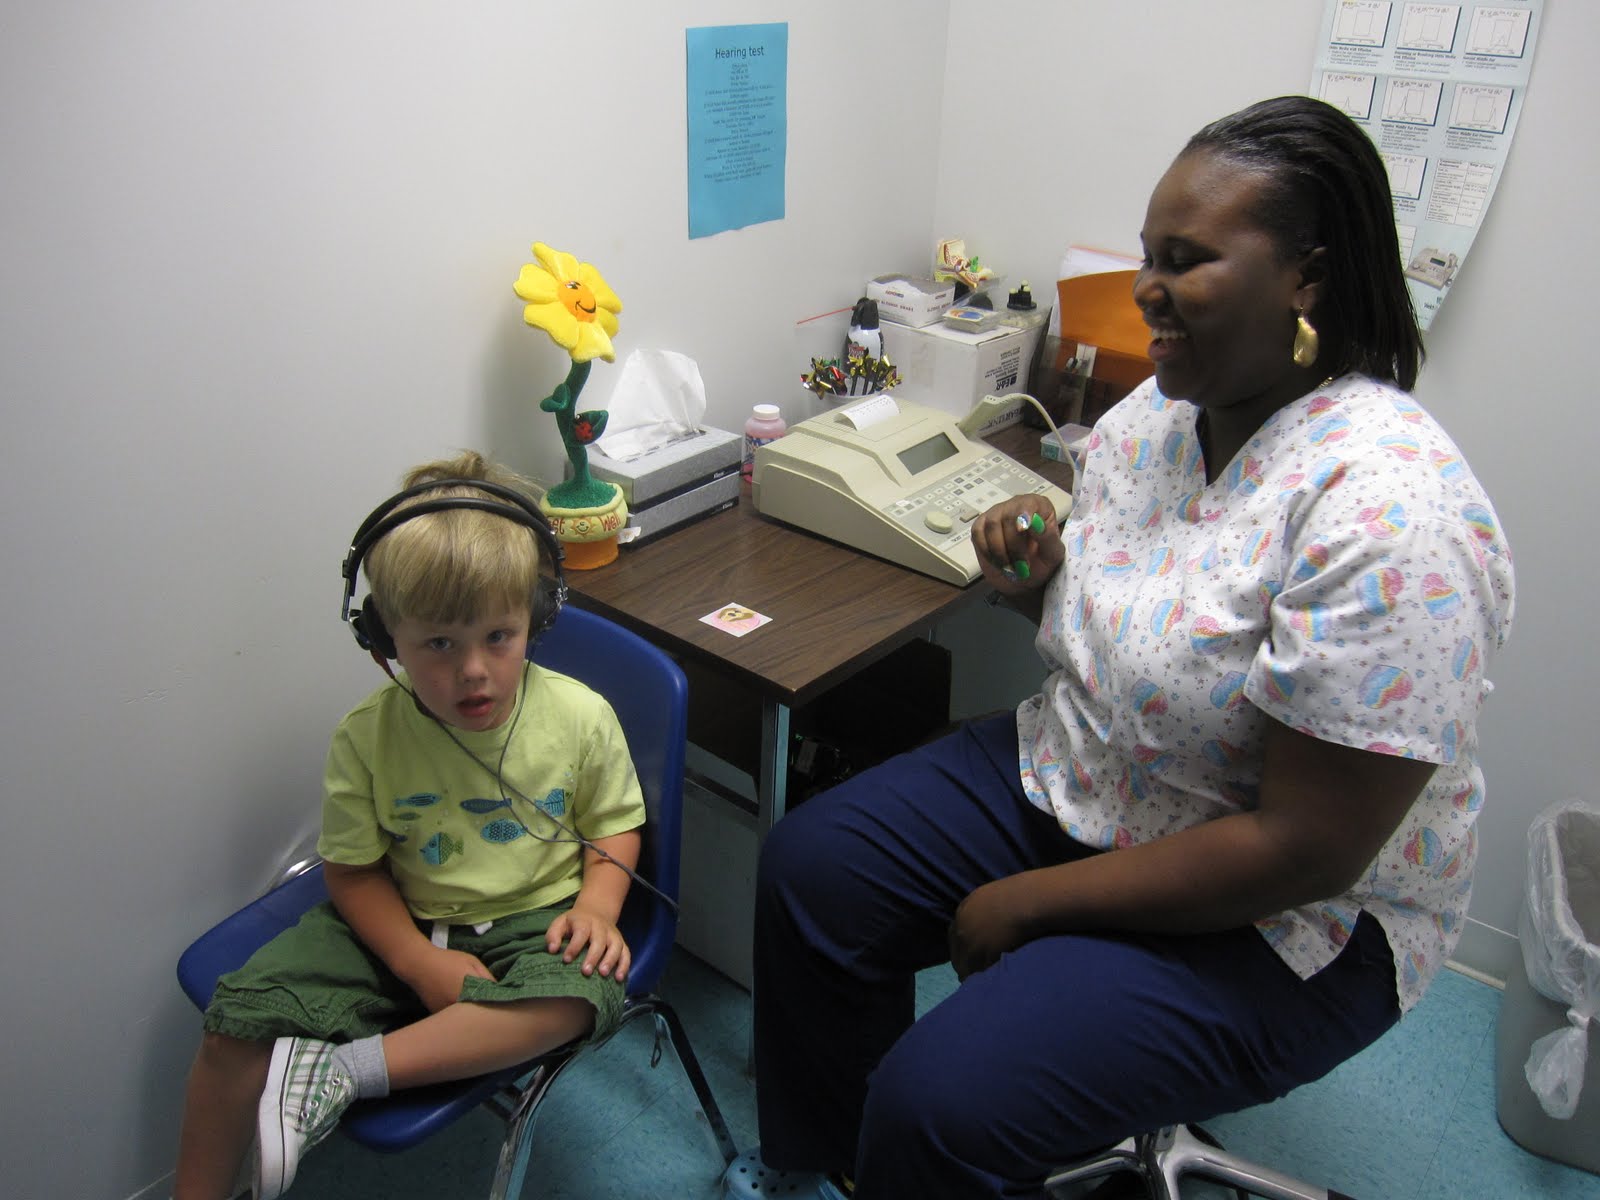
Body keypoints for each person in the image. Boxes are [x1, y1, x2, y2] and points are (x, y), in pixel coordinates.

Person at [730, 96, 1515, 1200]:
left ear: (1308, 278)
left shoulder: (1392, 515)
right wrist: (1035, 575)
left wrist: (1031, 903)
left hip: (1284, 912)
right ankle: (842, 1170)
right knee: (814, 871)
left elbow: (1305, 850)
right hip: (1093, 771)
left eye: (1185, 261)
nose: (1146, 288)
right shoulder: (1158, 413)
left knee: (942, 1100)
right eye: (1148, 256)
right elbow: (1139, 633)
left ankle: (916, 1157)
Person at [172, 452, 647, 1200]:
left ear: (537, 617)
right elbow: (354, 871)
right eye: (440, 644)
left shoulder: (581, 718)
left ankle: (342, 1075)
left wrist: (597, 906)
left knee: (576, 999)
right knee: (235, 1026)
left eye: (499, 636)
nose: (474, 670)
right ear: (384, 639)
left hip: (536, 918)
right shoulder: (366, 738)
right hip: (400, 912)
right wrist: (417, 962)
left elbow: (616, 825)